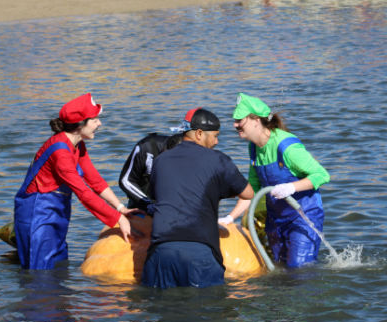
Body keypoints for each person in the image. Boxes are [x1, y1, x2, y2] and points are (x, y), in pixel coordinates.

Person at [14, 93, 135, 270]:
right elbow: (83, 193)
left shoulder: (77, 144)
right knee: (39, 278)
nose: (99, 124)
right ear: (80, 124)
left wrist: (120, 208)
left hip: (57, 212)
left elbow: (94, 180)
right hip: (37, 214)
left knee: (59, 268)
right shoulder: (60, 152)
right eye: (94, 120)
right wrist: (118, 220)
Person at [141, 108, 254, 289]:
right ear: (199, 134)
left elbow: (159, 194)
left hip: (161, 252)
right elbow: (248, 193)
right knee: (206, 313)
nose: (217, 142)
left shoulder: (161, 160)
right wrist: (218, 190)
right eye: (215, 136)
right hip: (199, 252)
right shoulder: (218, 160)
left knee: (163, 313)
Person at [220, 93, 330, 268]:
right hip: (276, 219)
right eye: (235, 120)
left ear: (256, 120)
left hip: (302, 217)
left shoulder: (286, 146)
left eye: (239, 120)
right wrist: (230, 217)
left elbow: (322, 175)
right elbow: (252, 190)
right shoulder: (254, 148)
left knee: (299, 271)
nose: (235, 125)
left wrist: (291, 187)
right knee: (278, 271)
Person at [118, 132, 183, 214]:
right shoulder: (146, 147)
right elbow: (125, 181)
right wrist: (148, 204)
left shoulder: (195, 154)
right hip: (143, 205)